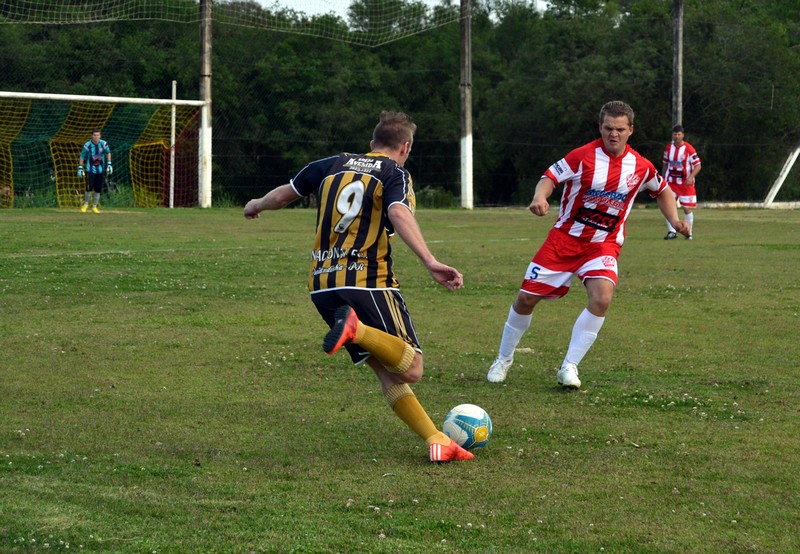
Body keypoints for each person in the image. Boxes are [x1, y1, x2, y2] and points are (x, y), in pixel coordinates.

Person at [244, 111, 473, 463]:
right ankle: (357, 329)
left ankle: (437, 439)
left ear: (371, 144)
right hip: (366, 280)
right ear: (405, 147)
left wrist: (254, 205)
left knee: (384, 370)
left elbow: (283, 195)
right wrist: (430, 260)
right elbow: (398, 212)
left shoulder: (330, 164)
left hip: (322, 284)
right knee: (411, 368)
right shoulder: (395, 172)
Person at [486, 101, 690, 388]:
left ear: (630, 130)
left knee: (602, 298)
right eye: (608, 128)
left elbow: (663, 190)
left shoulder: (641, 167)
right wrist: (540, 197)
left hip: (602, 246)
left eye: (620, 129)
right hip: (563, 241)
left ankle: (569, 367)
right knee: (526, 299)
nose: (613, 134)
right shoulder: (582, 156)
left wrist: (675, 220)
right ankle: (504, 359)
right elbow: (550, 177)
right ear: (600, 127)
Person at [662, 124, 701, 240]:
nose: (677, 136)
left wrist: (691, 177)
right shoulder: (668, 148)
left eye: (679, 134)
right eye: (675, 134)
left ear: (683, 135)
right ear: (672, 135)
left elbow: (698, 165)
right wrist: (663, 178)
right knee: (668, 206)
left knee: (687, 208)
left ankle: (688, 233)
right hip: (671, 183)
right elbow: (665, 164)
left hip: (685, 184)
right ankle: (672, 231)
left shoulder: (689, 149)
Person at [78, 128, 112, 213]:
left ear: (100, 136)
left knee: (98, 189)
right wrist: (80, 168)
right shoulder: (88, 145)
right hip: (90, 170)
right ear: (92, 136)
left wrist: (109, 164)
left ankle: (94, 207)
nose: (96, 137)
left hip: (100, 170)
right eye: (94, 135)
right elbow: (82, 156)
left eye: (97, 135)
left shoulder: (104, 144)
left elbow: (108, 152)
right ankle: (85, 205)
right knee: (89, 187)